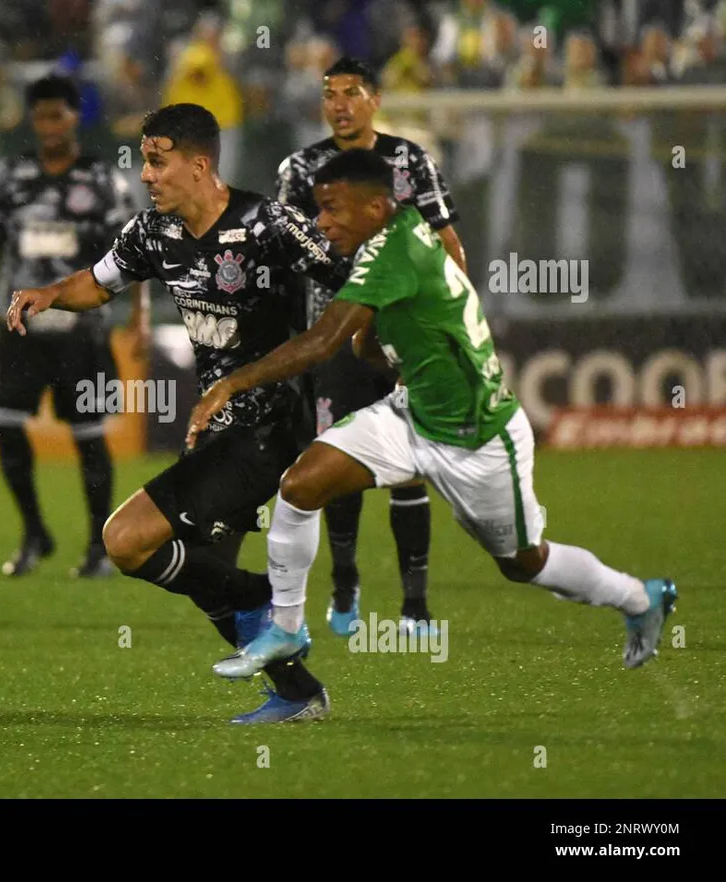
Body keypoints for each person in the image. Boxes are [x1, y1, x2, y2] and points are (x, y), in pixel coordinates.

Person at [184, 149, 677, 681]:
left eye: (332, 208)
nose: (321, 222)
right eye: (318, 208)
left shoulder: (391, 251)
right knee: (300, 486)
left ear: (375, 207)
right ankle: (286, 627)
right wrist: (389, 348)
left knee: (524, 563)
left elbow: (324, 341)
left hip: (478, 438)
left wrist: (232, 382)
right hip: (412, 413)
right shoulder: (400, 232)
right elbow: (368, 338)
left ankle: (638, 598)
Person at [7, 103, 352, 723]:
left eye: (156, 162)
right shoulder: (153, 233)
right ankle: (299, 692)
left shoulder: (268, 223)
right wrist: (51, 293)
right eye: (144, 161)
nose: (145, 174)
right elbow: (100, 282)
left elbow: (353, 281)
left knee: (127, 540)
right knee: (205, 575)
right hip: (216, 429)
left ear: (198, 165)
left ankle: (267, 601)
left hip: (273, 427)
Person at [275, 57, 468, 639]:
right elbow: (285, 256)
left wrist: (452, 321)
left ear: (375, 99)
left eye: (351, 92)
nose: (339, 104)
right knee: (337, 463)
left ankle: (415, 606)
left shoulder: (410, 160)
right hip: (335, 334)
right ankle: (344, 583)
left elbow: (447, 240)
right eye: (329, 93)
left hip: (403, 334)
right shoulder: (300, 168)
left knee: (409, 468)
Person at [0, 75, 148, 578]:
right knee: (5, 422)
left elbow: (134, 250)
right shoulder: (12, 177)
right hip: (22, 325)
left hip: (82, 329)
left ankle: (99, 546)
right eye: (40, 117)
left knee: (88, 435)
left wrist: (140, 316)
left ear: (75, 117)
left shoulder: (102, 180)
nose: (49, 126)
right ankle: (35, 532)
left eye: (57, 115)